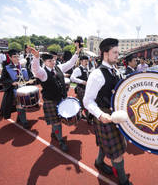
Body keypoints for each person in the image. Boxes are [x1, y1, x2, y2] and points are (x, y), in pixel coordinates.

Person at [83, 38, 132, 185]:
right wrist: (100, 114)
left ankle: (99, 162)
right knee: (117, 153)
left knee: (109, 145)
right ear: (105, 53)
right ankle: (123, 181)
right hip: (105, 115)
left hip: (116, 114)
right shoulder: (96, 74)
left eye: (118, 52)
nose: (118, 55)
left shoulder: (115, 70)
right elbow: (87, 100)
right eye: (115, 52)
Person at [30, 44, 80, 152]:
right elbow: (35, 69)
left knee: (57, 121)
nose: (52, 62)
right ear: (45, 62)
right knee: (57, 122)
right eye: (49, 61)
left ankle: (54, 133)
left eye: (53, 60)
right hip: (50, 100)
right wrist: (36, 57)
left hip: (61, 99)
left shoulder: (59, 68)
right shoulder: (43, 73)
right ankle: (61, 140)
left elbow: (70, 63)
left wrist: (77, 53)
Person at [0, 49, 32, 129]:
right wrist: (11, 82)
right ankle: (24, 121)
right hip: (13, 90)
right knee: (20, 104)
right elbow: (2, 80)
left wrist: (31, 80)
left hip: (24, 89)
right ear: (10, 57)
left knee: (23, 105)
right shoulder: (6, 68)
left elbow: (30, 75)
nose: (17, 58)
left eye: (18, 56)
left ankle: (20, 118)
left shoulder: (23, 67)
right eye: (14, 57)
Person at [70, 55, 92, 124]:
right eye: (85, 61)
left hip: (87, 88)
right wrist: (82, 82)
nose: (86, 63)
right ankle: (89, 119)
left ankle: (77, 114)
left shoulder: (88, 68)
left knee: (82, 104)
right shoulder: (78, 69)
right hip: (81, 88)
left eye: (87, 61)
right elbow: (72, 78)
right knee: (86, 103)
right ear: (81, 62)